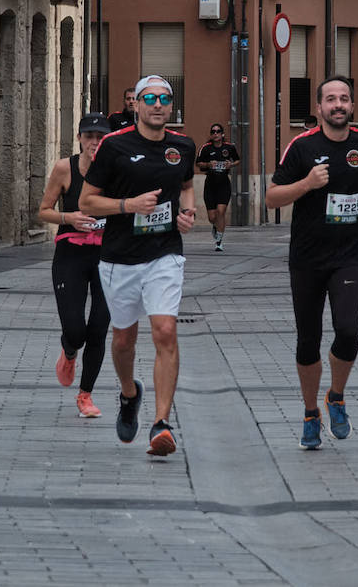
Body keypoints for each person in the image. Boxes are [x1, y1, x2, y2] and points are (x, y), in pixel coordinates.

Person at [266, 76, 358, 450]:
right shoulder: (302, 147)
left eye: (345, 99)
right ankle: (309, 413)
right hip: (306, 259)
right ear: (319, 108)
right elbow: (271, 197)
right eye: (331, 99)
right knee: (308, 340)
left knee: (348, 331)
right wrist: (306, 184)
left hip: (349, 256)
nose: (338, 105)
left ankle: (335, 396)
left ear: (352, 106)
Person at [79, 75, 197, 456]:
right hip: (119, 258)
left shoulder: (183, 146)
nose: (158, 104)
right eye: (150, 98)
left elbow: (186, 186)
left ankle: (161, 424)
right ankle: (129, 394)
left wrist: (187, 211)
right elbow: (87, 202)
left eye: (165, 98)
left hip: (165, 252)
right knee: (123, 340)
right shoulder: (113, 146)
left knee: (164, 331)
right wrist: (127, 206)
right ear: (137, 105)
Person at [37, 112, 113, 419]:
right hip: (70, 253)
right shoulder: (64, 169)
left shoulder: (115, 171)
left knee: (99, 328)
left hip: (108, 255)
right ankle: (69, 352)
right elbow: (43, 211)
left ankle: (86, 395)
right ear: (80, 138)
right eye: (89, 136)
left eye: (100, 137)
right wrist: (69, 218)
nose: (94, 142)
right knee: (76, 329)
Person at [196, 123, 241, 252]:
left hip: (223, 183)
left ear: (222, 134)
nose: (215, 134)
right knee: (212, 217)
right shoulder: (205, 148)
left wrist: (230, 165)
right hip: (210, 184)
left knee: (221, 212)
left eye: (218, 131)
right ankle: (215, 227)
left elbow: (237, 160)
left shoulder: (229, 147)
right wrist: (208, 164)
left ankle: (219, 241)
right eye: (213, 132)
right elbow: (198, 164)